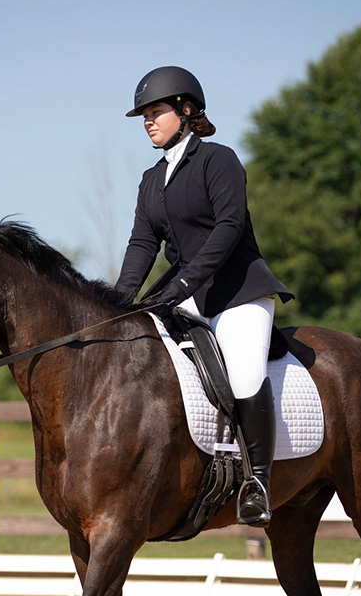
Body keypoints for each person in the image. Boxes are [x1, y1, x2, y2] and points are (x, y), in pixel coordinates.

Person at [114, 66, 293, 527]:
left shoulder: (218, 159)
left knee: (246, 373)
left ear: (186, 110)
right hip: (184, 291)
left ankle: (258, 482)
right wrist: (117, 301)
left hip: (238, 291)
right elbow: (141, 245)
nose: (149, 122)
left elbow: (230, 228)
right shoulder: (151, 180)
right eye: (145, 116)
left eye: (156, 112)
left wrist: (184, 284)